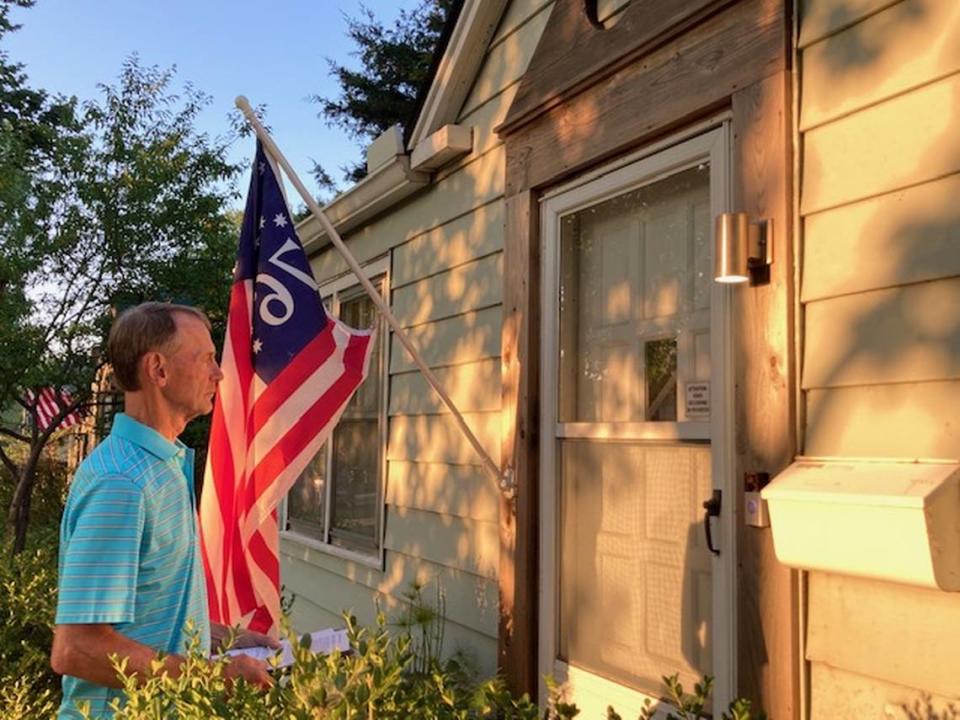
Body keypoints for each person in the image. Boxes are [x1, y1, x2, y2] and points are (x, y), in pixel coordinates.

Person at [51, 302, 277, 719]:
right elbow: (76, 649)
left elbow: (149, 612)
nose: (219, 372)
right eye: (207, 358)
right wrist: (216, 677)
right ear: (158, 370)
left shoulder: (163, 465)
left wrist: (224, 639)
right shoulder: (122, 483)